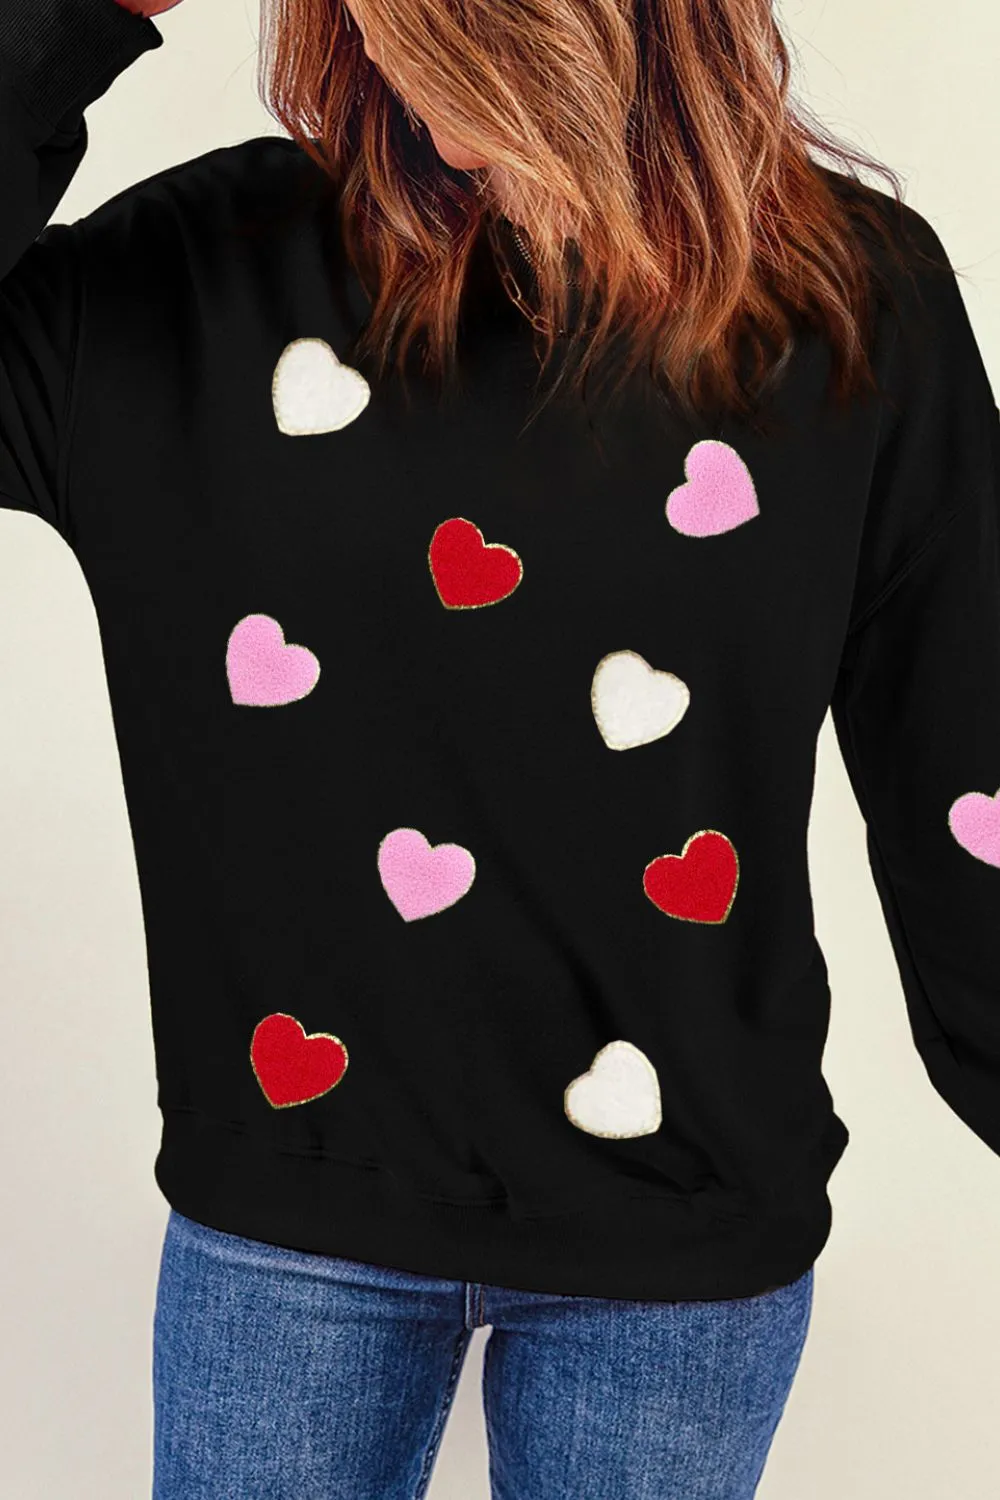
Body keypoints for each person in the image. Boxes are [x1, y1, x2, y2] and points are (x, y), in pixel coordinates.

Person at [2, 0, 998, 1496]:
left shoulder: (853, 297)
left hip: (684, 1236)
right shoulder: (185, 282)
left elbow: (967, 781)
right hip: (288, 1223)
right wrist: (71, 17)